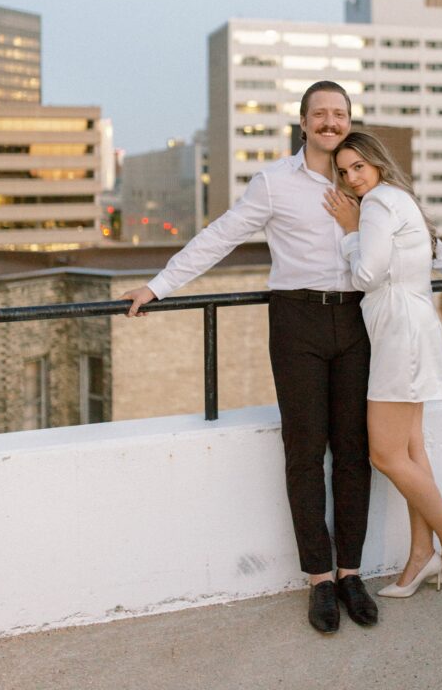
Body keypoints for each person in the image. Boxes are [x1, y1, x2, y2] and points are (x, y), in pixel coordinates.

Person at [121, 81, 379, 634]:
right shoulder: (275, 184)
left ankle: (352, 572)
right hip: (296, 321)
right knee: (306, 451)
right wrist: (157, 286)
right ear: (304, 122)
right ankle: (320, 579)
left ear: (349, 120)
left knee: (354, 449)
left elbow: (408, 231)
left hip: (358, 319)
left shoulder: (363, 177)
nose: (330, 122)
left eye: (340, 114)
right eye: (321, 114)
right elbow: (218, 238)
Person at [323, 131, 442, 598]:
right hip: (412, 327)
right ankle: (420, 556)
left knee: (385, 455)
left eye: (358, 167)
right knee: (412, 450)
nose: (352, 179)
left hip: (398, 333)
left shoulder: (374, 205)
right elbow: (432, 248)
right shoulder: (399, 198)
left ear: (376, 162)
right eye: (345, 171)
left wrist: (351, 234)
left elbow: (367, 274)